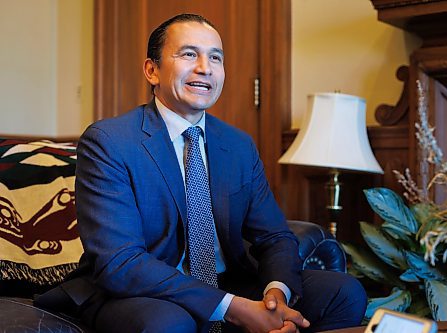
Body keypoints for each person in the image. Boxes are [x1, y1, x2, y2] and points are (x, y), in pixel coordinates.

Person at [35, 13, 367, 333]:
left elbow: (275, 237)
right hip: (137, 291)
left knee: (343, 292)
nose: (205, 68)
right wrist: (234, 308)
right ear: (152, 70)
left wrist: (274, 297)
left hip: (230, 281)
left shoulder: (237, 145)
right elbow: (121, 263)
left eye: (216, 58)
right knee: (169, 323)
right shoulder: (109, 142)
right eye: (189, 54)